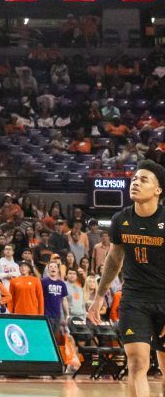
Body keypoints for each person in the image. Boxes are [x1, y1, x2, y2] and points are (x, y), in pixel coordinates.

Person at [89, 161, 165, 397]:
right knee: (136, 363)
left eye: (144, 180)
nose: (135, 183)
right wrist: (99, 296)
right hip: (134, 299)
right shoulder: (121, 219)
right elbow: (113, 260)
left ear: (158, 190)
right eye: (134, 179)